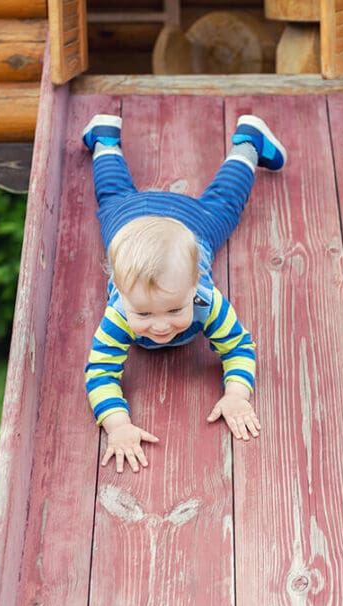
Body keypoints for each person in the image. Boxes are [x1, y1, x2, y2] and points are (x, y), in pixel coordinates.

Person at [81, 112, 286, 473]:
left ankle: (248, 144)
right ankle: (104, 138)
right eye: (143, 314)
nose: (160, 326)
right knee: (113, 196)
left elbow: (239, 346)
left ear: (196, 285)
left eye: (174, 309)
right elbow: (99, 372)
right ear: (123, 296)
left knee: (224, 205)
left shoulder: (207, 301)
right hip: (127, 225)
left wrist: (236, 395)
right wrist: (118, 424)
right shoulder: (118, 314)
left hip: (190, 225)